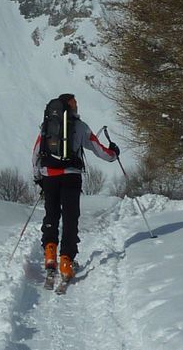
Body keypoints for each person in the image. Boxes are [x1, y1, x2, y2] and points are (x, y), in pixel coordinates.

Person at [32, 93, 119, 281]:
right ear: (70, 106)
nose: (77, 105)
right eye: (75, 103)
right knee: (70, 218)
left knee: (51, 215)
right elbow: (99, 150)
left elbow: (36, 152)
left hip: (49, 176)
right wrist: (113, 154)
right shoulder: (81, 126)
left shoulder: (47, 125)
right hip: (71, 177)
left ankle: (50, 254)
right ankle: (66, 261)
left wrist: (38, 177)